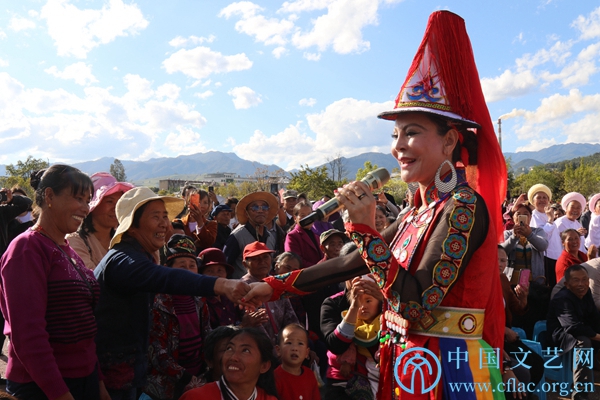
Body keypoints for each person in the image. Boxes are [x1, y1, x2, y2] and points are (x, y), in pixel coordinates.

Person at [242, 10, 506, 400]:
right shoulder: (418, 210)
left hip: (450, 368)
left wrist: (364, 229)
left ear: (450, 142)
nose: (398, 145)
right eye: (395, 134)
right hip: (407, 360)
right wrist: (272, 286)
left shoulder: (464, 207)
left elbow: (415, 303)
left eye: (412, 133)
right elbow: (349, 264)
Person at [93, 187, 251, 399]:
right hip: (112, 378)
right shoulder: (123, 260)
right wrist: (222, 285)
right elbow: (166, 277)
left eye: (165, 216)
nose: (164, 224)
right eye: (155, 216)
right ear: (132, 228)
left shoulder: (141, 256)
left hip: (128, 373)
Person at [0, 165, 110, 400]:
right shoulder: (27, 249)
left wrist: (98, 381)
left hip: (83, 380)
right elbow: (28, 334)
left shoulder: (68, 250)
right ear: (49, 196)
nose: (85, 207)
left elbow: (84, 327)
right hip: (43, 385)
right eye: (78, 198)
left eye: (88, 200)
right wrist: (59, 393)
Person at [144, 234, 211, 400]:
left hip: (199, 377)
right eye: (181, 267)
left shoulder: (199, 299)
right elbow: (157, 352)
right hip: (168, 384)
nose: (188, 272)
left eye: (192, 266)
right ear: (168, 270)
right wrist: (186, 378)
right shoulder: (159, 303)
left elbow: (208, 334)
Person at [497, 246, 544, 400]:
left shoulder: (503, 279)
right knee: (523, 370)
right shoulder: (480, 284)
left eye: (503, 260)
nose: (500, 264)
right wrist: (503, 330)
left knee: (537, 363)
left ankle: (524, 395)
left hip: (505, 336)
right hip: (491, 338)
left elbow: (517, 309)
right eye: (495, 259)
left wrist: (523, 298)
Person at [547, 264, 600, 400]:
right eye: (576, 280)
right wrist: (597, 336)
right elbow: (572, 326)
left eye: (584, 280)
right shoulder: (563, 299)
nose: (581, 284)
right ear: (567, 284)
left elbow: (594, 317)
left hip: (580, 329)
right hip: (562, 335)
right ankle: (580, 392)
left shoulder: (586, 292)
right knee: (584, 341)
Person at [179, 328, 278, 400]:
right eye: (229, 348)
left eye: (245, 350)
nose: (233, 357)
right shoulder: (196, 397)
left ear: (264, 366)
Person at [68, 172, 134, 270]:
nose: (115, 208)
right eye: (110, 201)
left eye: (119, 202)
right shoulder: (76, 241)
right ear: (94, 205)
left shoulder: (124, 240)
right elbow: (91, 279)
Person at [240, 242, 298, 345]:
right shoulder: (243, 287)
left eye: (265, 257)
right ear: (245, 264)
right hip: (259, 347)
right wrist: (275, 352)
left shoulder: (276, 282)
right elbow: (257, 325)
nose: (262, 262)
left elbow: (290, 317)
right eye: (256, 258)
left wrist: (294, 342)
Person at [223, 191, 279, 279]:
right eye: (255, 207)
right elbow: (225, 266)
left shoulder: (270, 236)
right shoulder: (237, 236)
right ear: (246, 213)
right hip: (242, 288)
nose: (260, 210)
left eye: (264, 207)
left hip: (265, 288)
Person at [501, 202, 548, 284]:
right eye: (518, 214)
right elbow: (502, 251)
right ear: (513, 217)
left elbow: (543, 246)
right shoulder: (507, 233)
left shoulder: (538, 231)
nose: (522, 216)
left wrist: (529, 235)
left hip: (534, 282)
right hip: (511, 281)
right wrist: (514, 237)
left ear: (530, 217)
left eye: (526, 214)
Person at [198, 247, 243, 328]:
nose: (216, 275)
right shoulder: (200, 302)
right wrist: (245, 325)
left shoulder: (231, 297)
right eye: (210, 271)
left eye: (220, 270)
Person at [274, 323, 321, 400]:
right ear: (278, 350)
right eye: (289, 343)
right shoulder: (275, 379)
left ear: (306, 352)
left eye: (300, 343)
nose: (295, 348)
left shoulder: (310, 375)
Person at [527, 184, 561, 286]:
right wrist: (550, 220)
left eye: (545, 197)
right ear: (533, 202)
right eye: (539, 198)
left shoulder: (547, 213)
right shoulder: (533, 216)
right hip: (545, 256)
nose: (542, 200)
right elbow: (541, 235)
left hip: (556, 254)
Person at [173, 187, 217, 253]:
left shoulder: (211, 224)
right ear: (189, 203)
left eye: (205, 202)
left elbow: (208, 243)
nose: (201, 205)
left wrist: (200, 223)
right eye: (198, 201)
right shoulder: (177, 223)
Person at [284, 201, 324, 268]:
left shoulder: (317, 236)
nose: (307, 218)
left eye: (309, 215)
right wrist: (317, 268)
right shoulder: (292, 236)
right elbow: (294, 260)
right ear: (295, 218)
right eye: (302, 215)